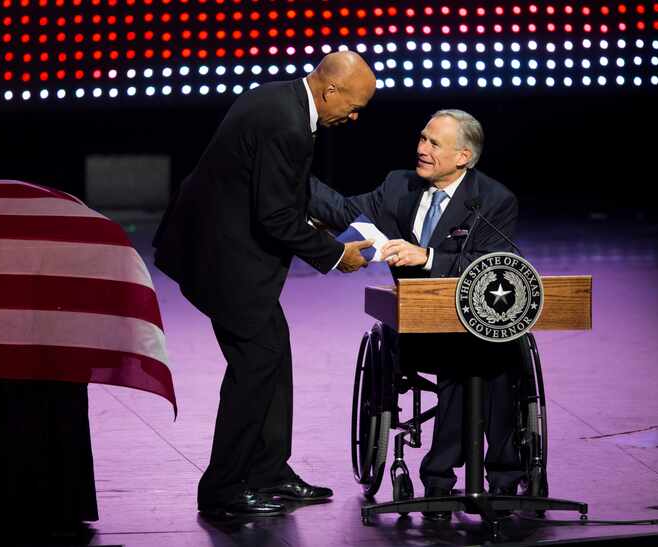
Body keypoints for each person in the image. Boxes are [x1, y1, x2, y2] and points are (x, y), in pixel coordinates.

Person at [153, 51, 377, 517]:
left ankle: (269, 470)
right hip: (222, 261)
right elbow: (276, 214)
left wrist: (359, 219)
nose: (356, 118)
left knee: (273, 350)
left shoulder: (281, 100)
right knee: (255, 365)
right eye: (354, 107)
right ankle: (223, 489)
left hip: (222, 250)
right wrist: (337, 255)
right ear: (330, 90)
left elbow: (295, 184)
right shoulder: (288, 124)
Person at [308, 109, 526, 520]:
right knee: (462, 356)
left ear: (463, 157)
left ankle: (497, 473)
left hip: (476, 321)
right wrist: (291, 177)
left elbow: (496, 264)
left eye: (433, 143)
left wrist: (427, 257)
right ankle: (441, 477)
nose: (421, 149)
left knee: (490, 349)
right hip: (417, 327)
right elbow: (344, 210)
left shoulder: (494, 201)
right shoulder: (398, 185)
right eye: (422, 138)